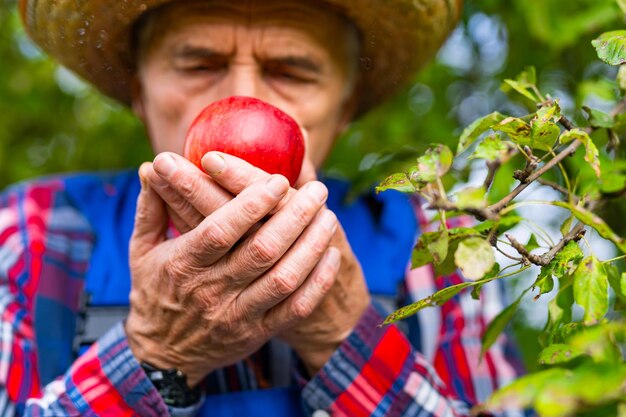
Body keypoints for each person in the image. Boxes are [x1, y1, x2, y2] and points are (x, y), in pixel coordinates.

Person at [0, 0, 524, 416]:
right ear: (140, 93)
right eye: (199, 64)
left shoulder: (440, 244)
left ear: (343, 108)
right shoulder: (31, 232)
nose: (244, 96)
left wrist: (344, 335)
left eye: (291, 72)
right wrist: (155, 352)